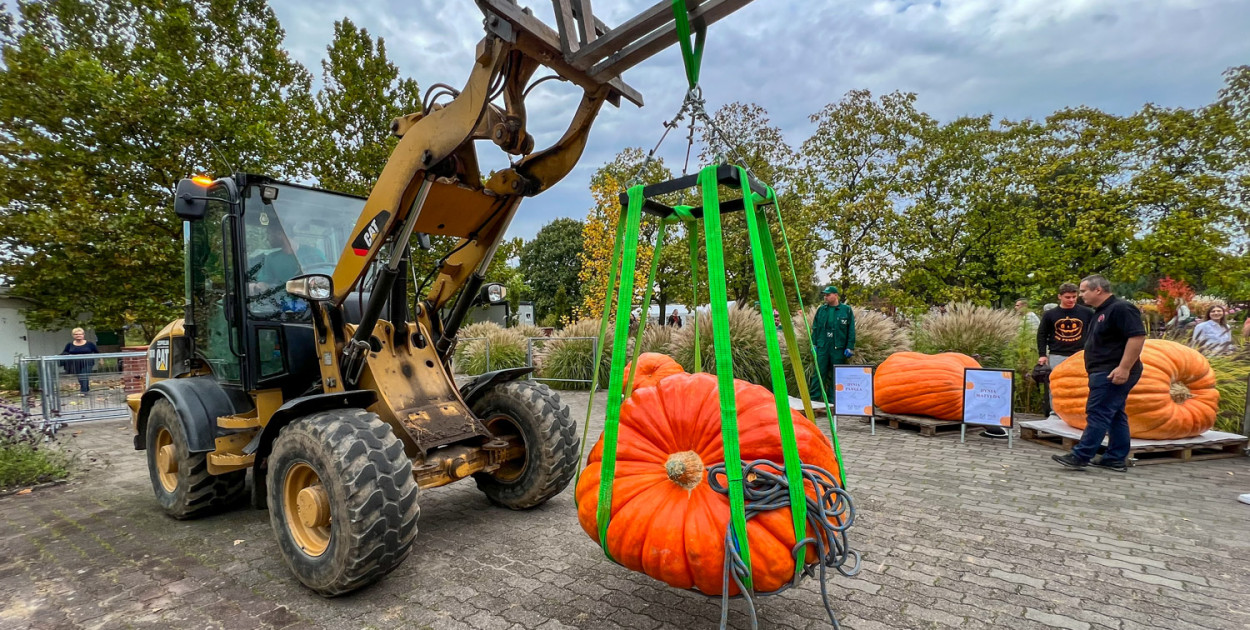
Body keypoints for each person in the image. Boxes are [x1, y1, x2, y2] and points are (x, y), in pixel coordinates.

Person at [1053, 275, 1145, 473]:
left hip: (1112, 371)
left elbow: (1137, 337)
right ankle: (1115, 458)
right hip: (1102, 371)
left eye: (1083, 291)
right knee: (1115, 415)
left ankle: (1081, 455)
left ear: (1098, 290)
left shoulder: (1121, 308)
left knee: (1098, 413)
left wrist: (1124, 368)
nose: (1080, 295)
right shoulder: (1101, 311)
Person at [1036, 283, 1095, 421]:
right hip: (1058, 353)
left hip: (1081, 354)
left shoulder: (1087, 312)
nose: (1071, 300)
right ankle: (1055, 413)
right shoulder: (1050, 314)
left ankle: (1081, 412)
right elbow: (1042, 335)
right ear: (1060, 297)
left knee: (1082, 384)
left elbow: (1095, 331)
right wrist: (1042, 354)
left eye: (1074, 297)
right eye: (1068, 297)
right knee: (1056, 385)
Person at [810, 286, 855, 402]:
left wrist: (850, 346)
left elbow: (851, 329)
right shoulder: (821, 310)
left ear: (836, 295)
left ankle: (833, 400)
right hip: (823, 345)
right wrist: (814, 344)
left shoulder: (846, 310)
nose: (825, 297)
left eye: (828, 295)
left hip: (838, 346)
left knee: (837, 373)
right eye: (825, 295)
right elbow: (815, 328)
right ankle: (814, 399)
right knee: (819, 372)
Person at [61, 327, 99, 394]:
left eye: (80, 334)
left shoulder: (89, 344)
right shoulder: (70, 344)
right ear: (73, 335)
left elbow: (97, 352)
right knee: (80, 377)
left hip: (88, 362)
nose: (78, 335)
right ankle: (86, 389)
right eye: (76, 334)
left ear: (83, 335)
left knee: (84, 375)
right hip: (76, 363)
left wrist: (101, 360)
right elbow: (65, 352)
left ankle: (83, 391)